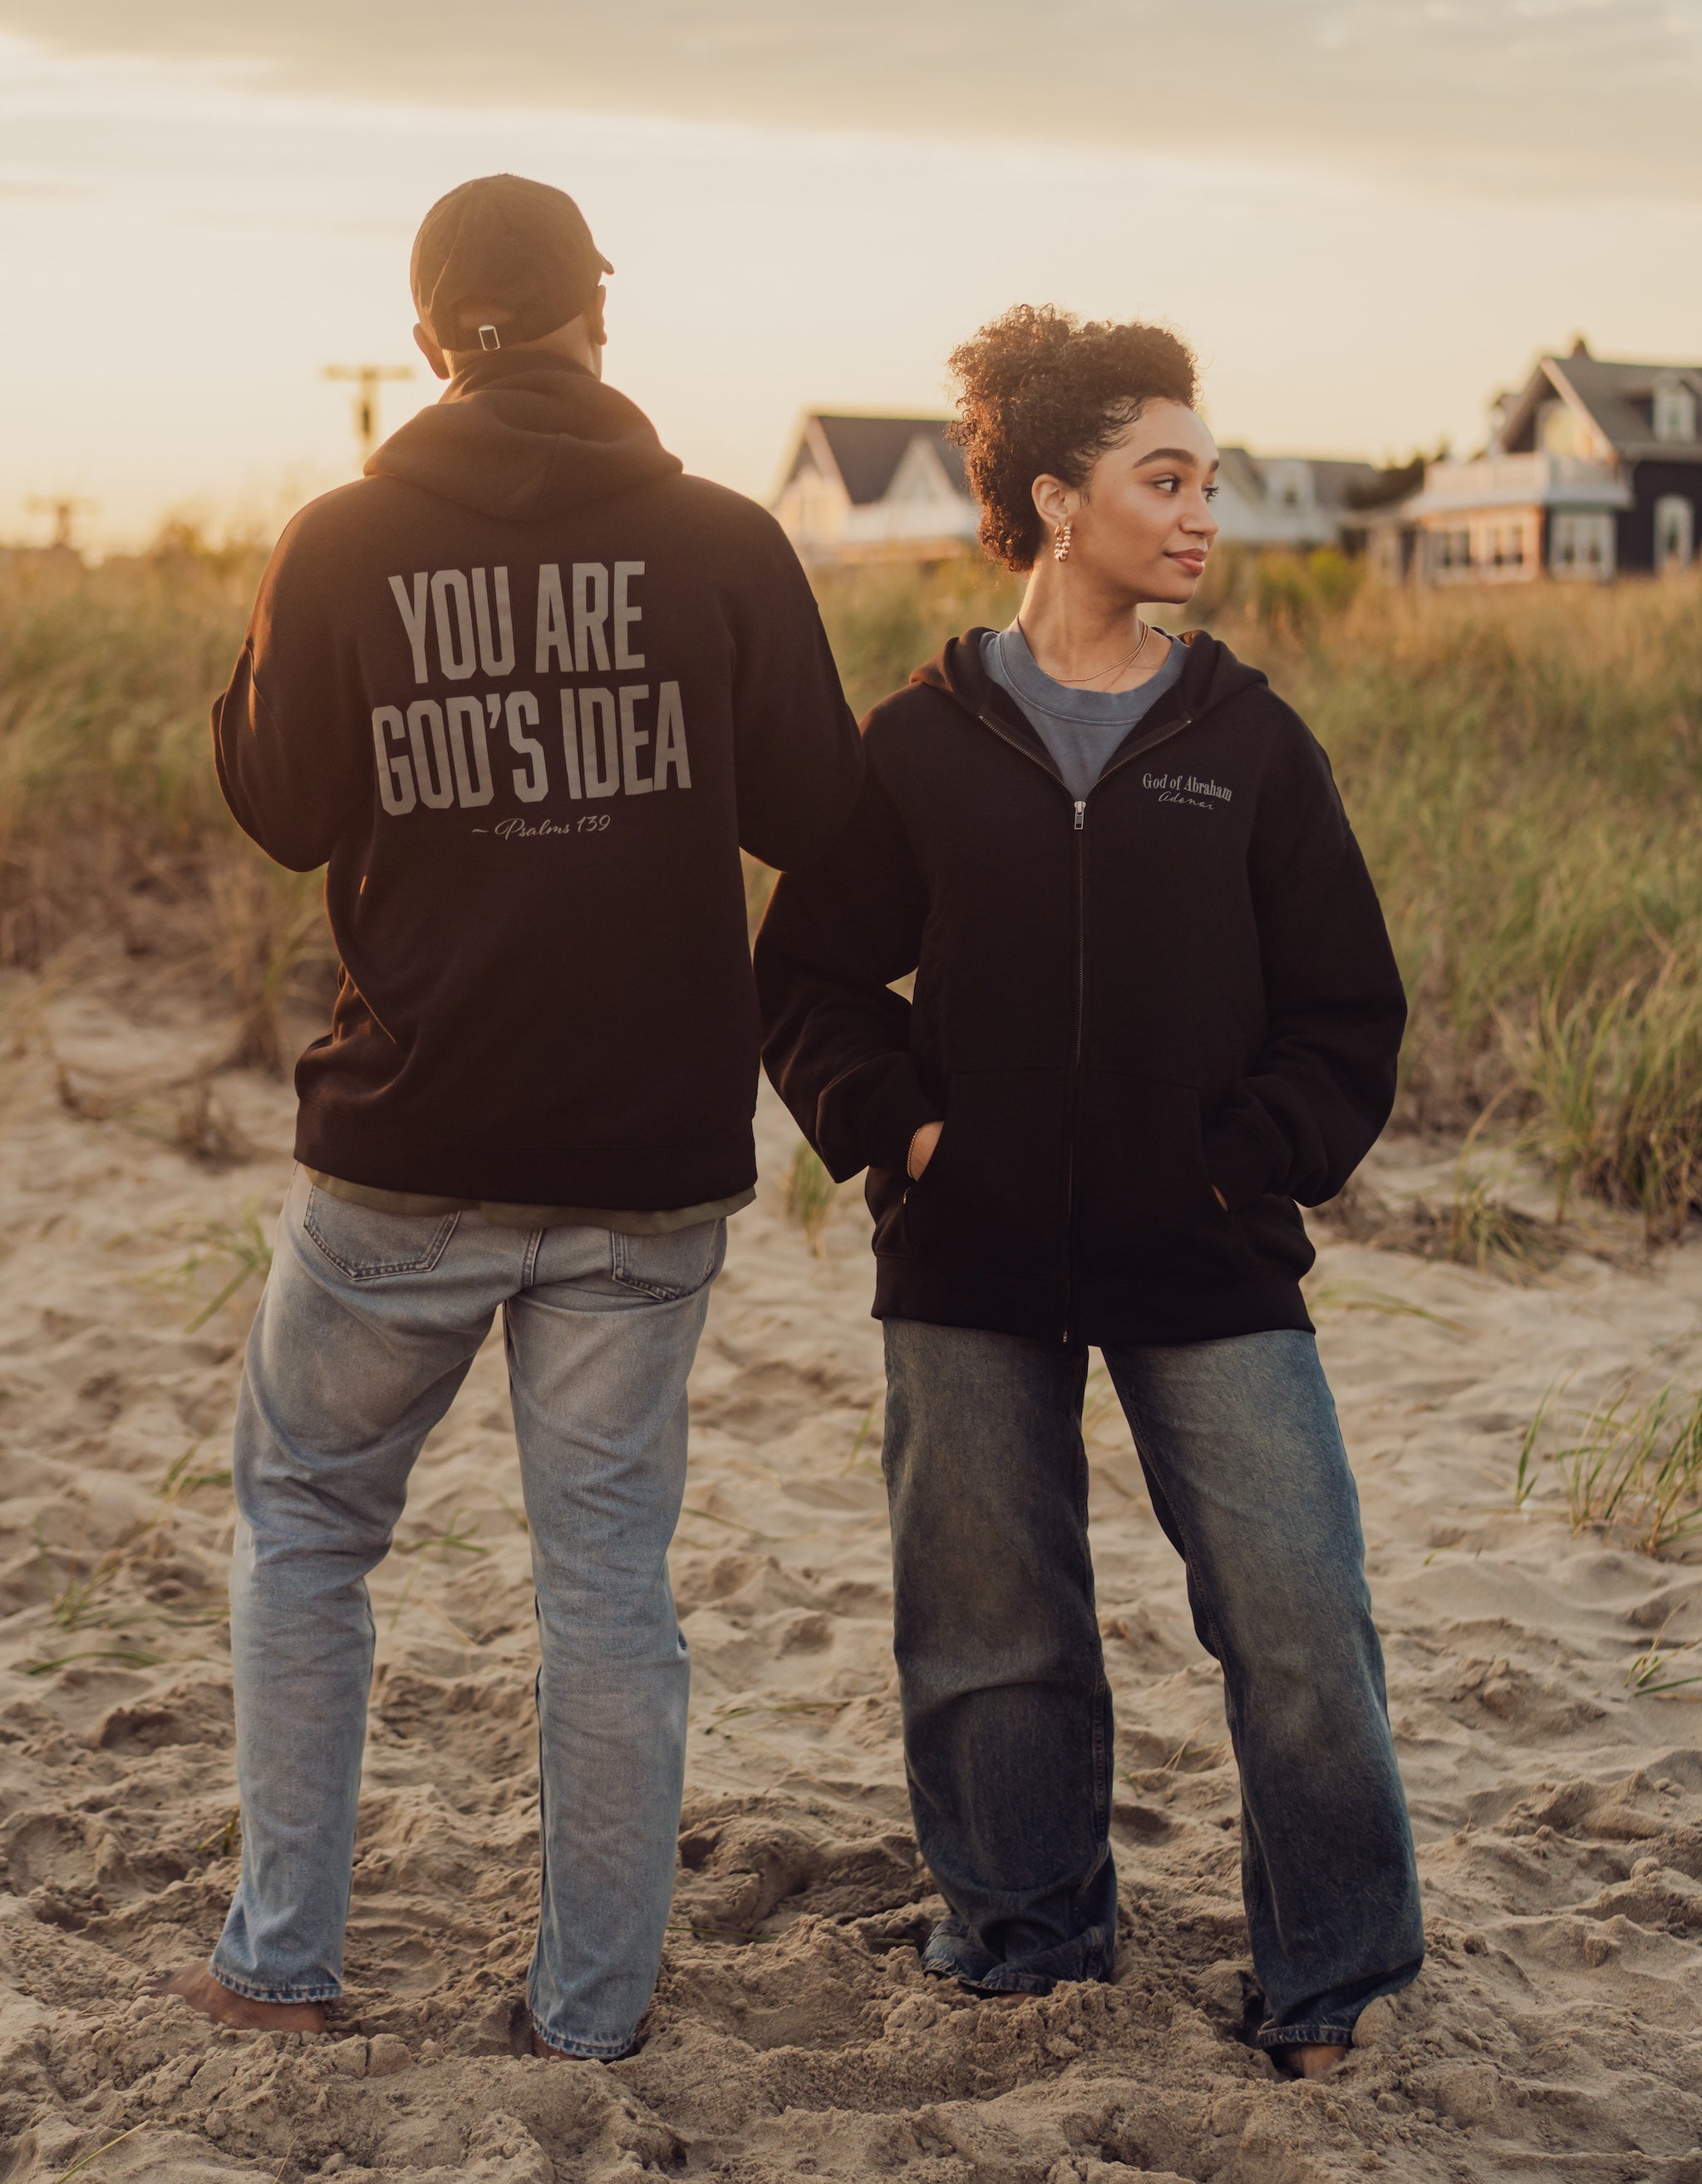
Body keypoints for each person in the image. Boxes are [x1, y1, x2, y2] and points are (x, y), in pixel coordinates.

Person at [159, 173, 862, 2061]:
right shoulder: (723, 543)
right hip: (642, 1169)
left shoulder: (339, 538)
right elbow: (822, 813)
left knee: (306, 1527)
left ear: (422, 338)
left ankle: (279, 1965)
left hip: (404, 1147)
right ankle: (591, 2015)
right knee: (607, 1593)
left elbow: (283, 803)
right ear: (596, 322)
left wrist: (273, 640)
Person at [755, 304, 1423, 2078]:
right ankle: (1022, 1936)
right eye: (1165, 478)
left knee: (1297, 1619)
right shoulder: (922, 740)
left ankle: (1334, 1978)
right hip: (965, 1259)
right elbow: (809, 978)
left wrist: (1229, 1166)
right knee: (989, 1631)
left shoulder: (1247, 742)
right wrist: (905, 1138)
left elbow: (1347, 1015)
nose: (1204, 514)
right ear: (1057, 499)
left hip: (1205, 1264)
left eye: (1211, 480)